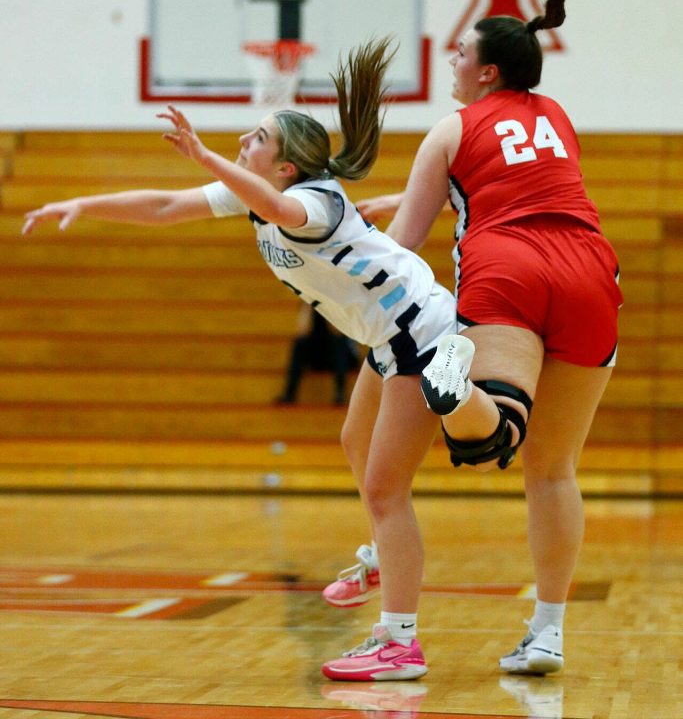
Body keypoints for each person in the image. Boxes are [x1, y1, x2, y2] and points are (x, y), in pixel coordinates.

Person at [22, 36, 509, 682]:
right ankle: (381, 556)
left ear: (283, 166)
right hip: (390, 335)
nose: (244, 143)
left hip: (421, 334)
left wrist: (203, 154)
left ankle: (399, 643)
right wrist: (86, 204)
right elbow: (168, 207)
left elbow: (279, 207)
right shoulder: (260, 195)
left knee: (386, 491)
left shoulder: (314, 204)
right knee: (354, 444)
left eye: (256, 138)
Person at [345, 0, 623, 675]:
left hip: (508, 267)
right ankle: (548, 631)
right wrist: (415, 193)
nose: (450, 59)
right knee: (552, 469)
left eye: (458, 52)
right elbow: (513, 185)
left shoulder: (449, 127)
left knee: (495, 429)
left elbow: (403, 243)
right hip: (591, 268)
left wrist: (331, 249)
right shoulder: (554, 116)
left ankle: (459, 391)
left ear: (486, 70)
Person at [275, 302, 358, 406]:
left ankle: (340, 393)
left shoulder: (335, 298)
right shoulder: (309, 301)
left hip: (343, 355)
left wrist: (327, 304)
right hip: (319, 356)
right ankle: (289, 394)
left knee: (338, 343)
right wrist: (308, 301)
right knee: (300, 343)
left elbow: (338, 331)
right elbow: (302, 331)